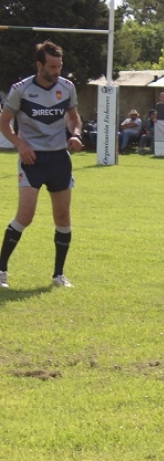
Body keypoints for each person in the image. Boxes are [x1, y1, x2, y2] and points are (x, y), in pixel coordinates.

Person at [0, 41, 84, 288]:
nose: (57, 70)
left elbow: (73, 117)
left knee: (62, 216)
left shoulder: (67, 88)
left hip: (59, 159)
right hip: (32, 159)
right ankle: (1, 270)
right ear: (40, 65)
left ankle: (59, 275)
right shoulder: (21, 90)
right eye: (52, 66)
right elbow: (4, 122)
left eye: (60, 66)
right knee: (25, 216)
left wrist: (76, 133)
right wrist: (20, 144)